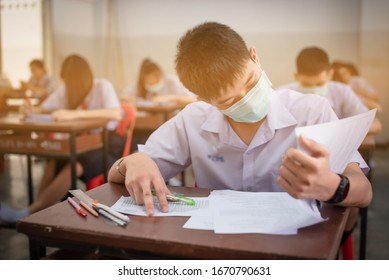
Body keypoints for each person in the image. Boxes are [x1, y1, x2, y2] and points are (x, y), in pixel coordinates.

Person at [107, 22, 372, 217]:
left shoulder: (311, 111)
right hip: (218, 246)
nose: (246, 99)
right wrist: (134, 161)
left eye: (250, 81)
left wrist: (334, 187)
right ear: (203, 98)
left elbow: (364, 191)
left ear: (254, 56)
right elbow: (117, 175)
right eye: (228, 101)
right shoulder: (193, 120)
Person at [0, 54, 124, 223]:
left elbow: (115, 113)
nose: (69, 86)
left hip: (106, 147)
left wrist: (75, 114)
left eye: (72, 81)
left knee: (74, 165)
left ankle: (30, 212)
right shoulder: (66, 89)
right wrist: (29, 109)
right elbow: (43, 108)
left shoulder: (102, 86)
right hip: (81, 144)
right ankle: (36, 210)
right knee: (55, 161)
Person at [278, 47, 381, 134]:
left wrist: (336, 131)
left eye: (319, 84)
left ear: (330, 74)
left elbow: (374, 125)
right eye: (307, 85)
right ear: (296, 76)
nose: (314, 89)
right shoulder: (283, 94)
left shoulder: (342, 91)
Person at [121, 58, 196, 104]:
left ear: (161, 75)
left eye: (156, 82)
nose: (153, 86)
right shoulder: (139, 85)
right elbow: (122, 97)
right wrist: (131, 99)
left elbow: (193, 100)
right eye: (150, 84)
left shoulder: (173, 82)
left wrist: (171, 98)